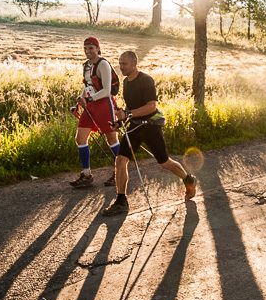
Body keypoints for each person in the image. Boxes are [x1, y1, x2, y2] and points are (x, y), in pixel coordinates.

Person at [102, 50, 197, 216]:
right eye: (120, 63)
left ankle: (188, 179)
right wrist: (121, 121)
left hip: (151, 125)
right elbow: (131, 109)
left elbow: (151, 106)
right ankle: (121, 201)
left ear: (134, 64)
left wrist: (128, 115)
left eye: (124, 64)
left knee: (164, 162)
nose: (121, 67)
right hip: (135, 126)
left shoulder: (146, 80)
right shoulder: (127, 83)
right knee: (120, 160)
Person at [70, 36, 120, 188]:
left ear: (98, 49)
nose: (88, 51)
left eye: (91, 48)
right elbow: (88, 86)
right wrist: (80, 100)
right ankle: (86, 175)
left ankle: (120, 171)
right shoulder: (86, 65)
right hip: (90, 105)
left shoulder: (103, 64)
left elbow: (107, 90)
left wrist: (90, 99)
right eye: (85, 48)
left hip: (104, 104)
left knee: (111, 139)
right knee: (80, 138)